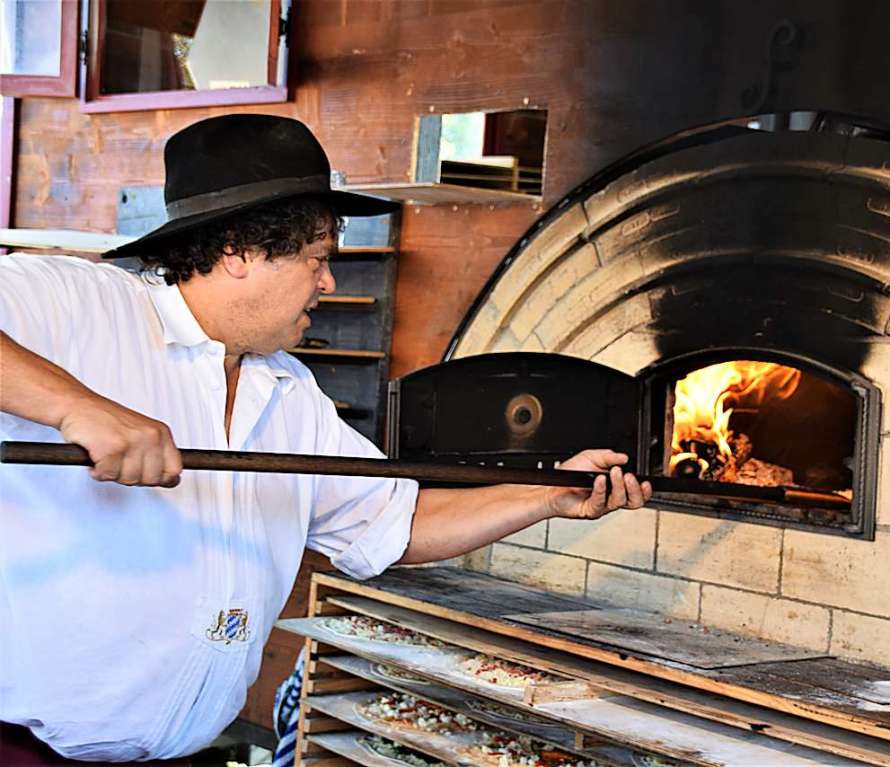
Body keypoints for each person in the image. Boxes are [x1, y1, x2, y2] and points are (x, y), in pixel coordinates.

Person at [0, 114, 652, 763]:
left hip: (181, 753)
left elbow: (395, 521)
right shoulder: (79, 305)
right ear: (238, 251)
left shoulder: (287, 394)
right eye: (316, 259)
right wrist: (77, 407)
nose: (328, 282)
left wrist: (545, 496)